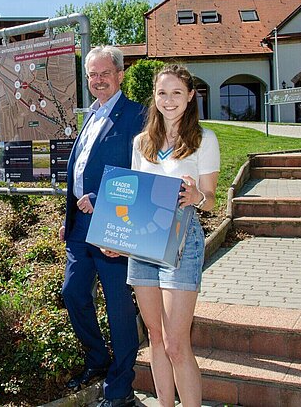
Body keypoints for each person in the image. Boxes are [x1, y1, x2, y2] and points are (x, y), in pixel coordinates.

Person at [126, 64, 219, 407]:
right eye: (162, 92)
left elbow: (210, 200)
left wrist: (198, 197)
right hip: (144, 241)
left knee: (176, 343)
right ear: (154, 96)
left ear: (190, 96)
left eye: (177, 92)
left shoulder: (204, 140)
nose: (169, 100)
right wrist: (116, 235)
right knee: (154, 337)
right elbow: (134, 196)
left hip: (182, 240)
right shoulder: (141, 143)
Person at [59, 46, 145, 407]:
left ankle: (120, 386)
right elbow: (78, 169)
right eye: (92, 74)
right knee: (73, 293)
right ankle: (98, 360)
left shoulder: (137, 115)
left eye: (104, 73)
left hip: (114, 224)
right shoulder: (91, 116)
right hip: (80, 227)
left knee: (118, 308)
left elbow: (141, 172)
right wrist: (69, 219)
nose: (97, 80)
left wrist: (102, 197)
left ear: (120, 75)